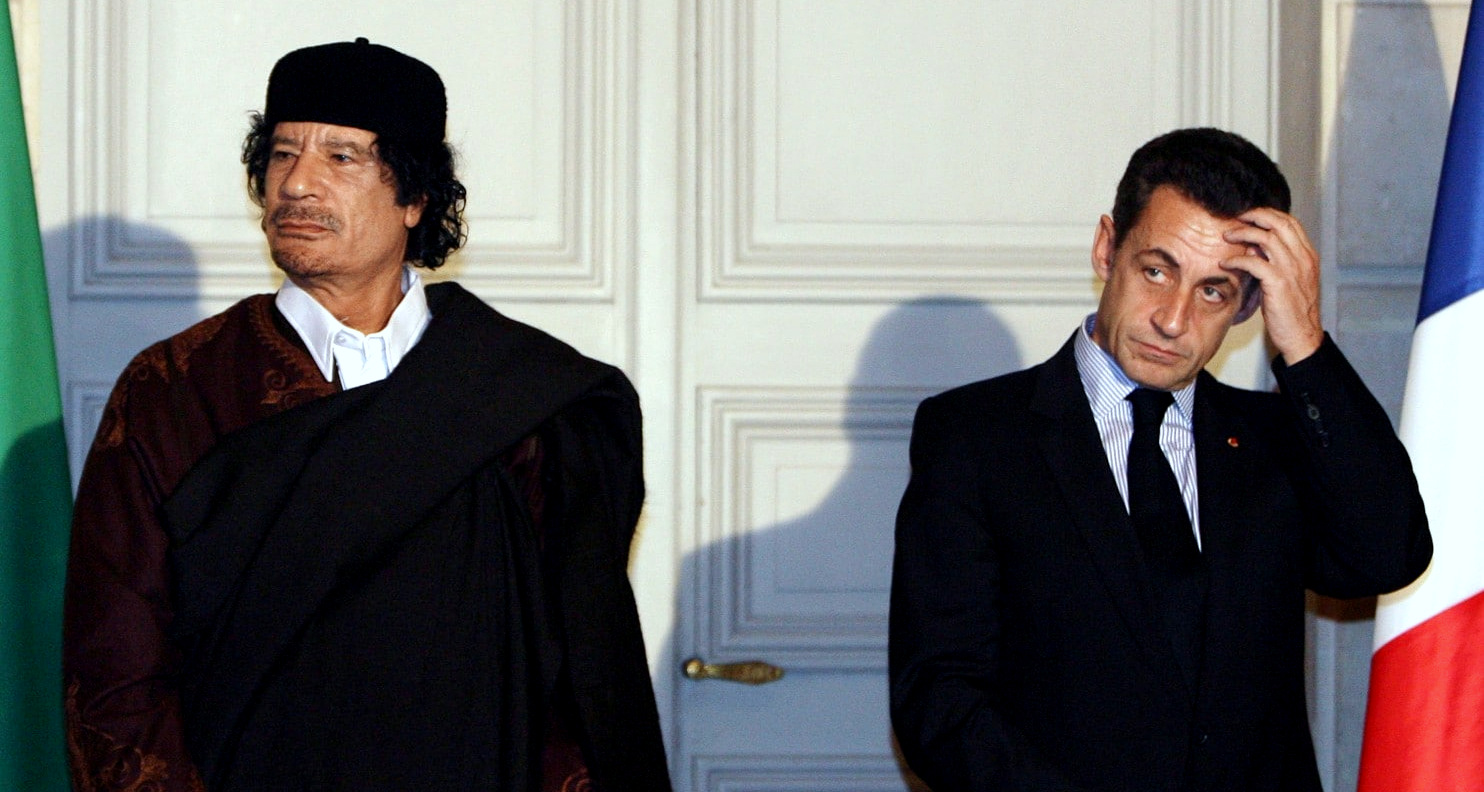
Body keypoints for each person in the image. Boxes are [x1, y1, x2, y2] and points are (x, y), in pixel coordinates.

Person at [63, 38, 672, 791]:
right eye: (282, 155)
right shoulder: (176, 390)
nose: (296, 184)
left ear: (415, 196)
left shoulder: (527, 397)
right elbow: (113, 673)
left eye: (341, 158)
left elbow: (582, 674)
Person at [889, 128, 1432, 792]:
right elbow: (939, 700)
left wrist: (1306, 343)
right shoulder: (976, 436)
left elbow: (1384, 556)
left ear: (1247, 306)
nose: (1173, 320)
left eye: (1213, 291)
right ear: (1106, 247)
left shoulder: (1275, 438)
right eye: (1156, 270)